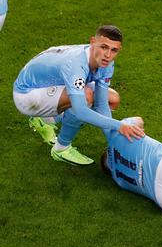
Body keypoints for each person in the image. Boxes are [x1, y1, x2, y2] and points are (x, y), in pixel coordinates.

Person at [14, 25, 144, 165]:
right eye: (104, 47)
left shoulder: (106, 63)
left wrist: (113, 142)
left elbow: (101, 104)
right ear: (93, 42)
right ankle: (61, 149)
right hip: (27, 95)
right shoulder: (76, 65)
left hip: (51, 85)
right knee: (85, 97)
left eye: (114, 50)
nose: (108, 55)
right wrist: (119, 126)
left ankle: (45, 120)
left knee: (112, 99)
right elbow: (81, 111)